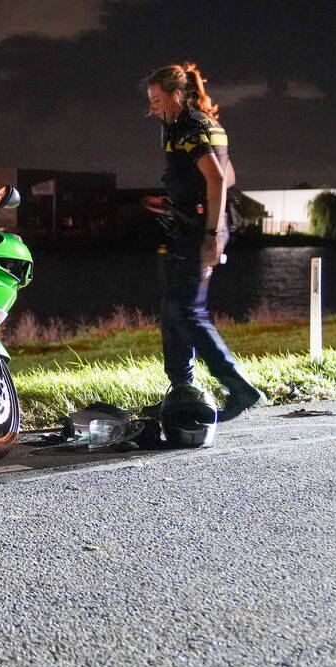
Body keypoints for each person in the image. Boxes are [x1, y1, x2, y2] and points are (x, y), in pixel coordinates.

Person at [143, 63, 265, 422]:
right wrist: (176, 200)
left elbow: (215, 180)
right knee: (173, 309)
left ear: (175, 94)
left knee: (187, 311)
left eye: (156, 99)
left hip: (198, 231)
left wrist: (211, 235)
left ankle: (237, 386)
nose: (151, 108)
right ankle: (183, 390)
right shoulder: (204, 123)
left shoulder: (188, 127)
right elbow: (228, 176)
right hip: (189, 225)